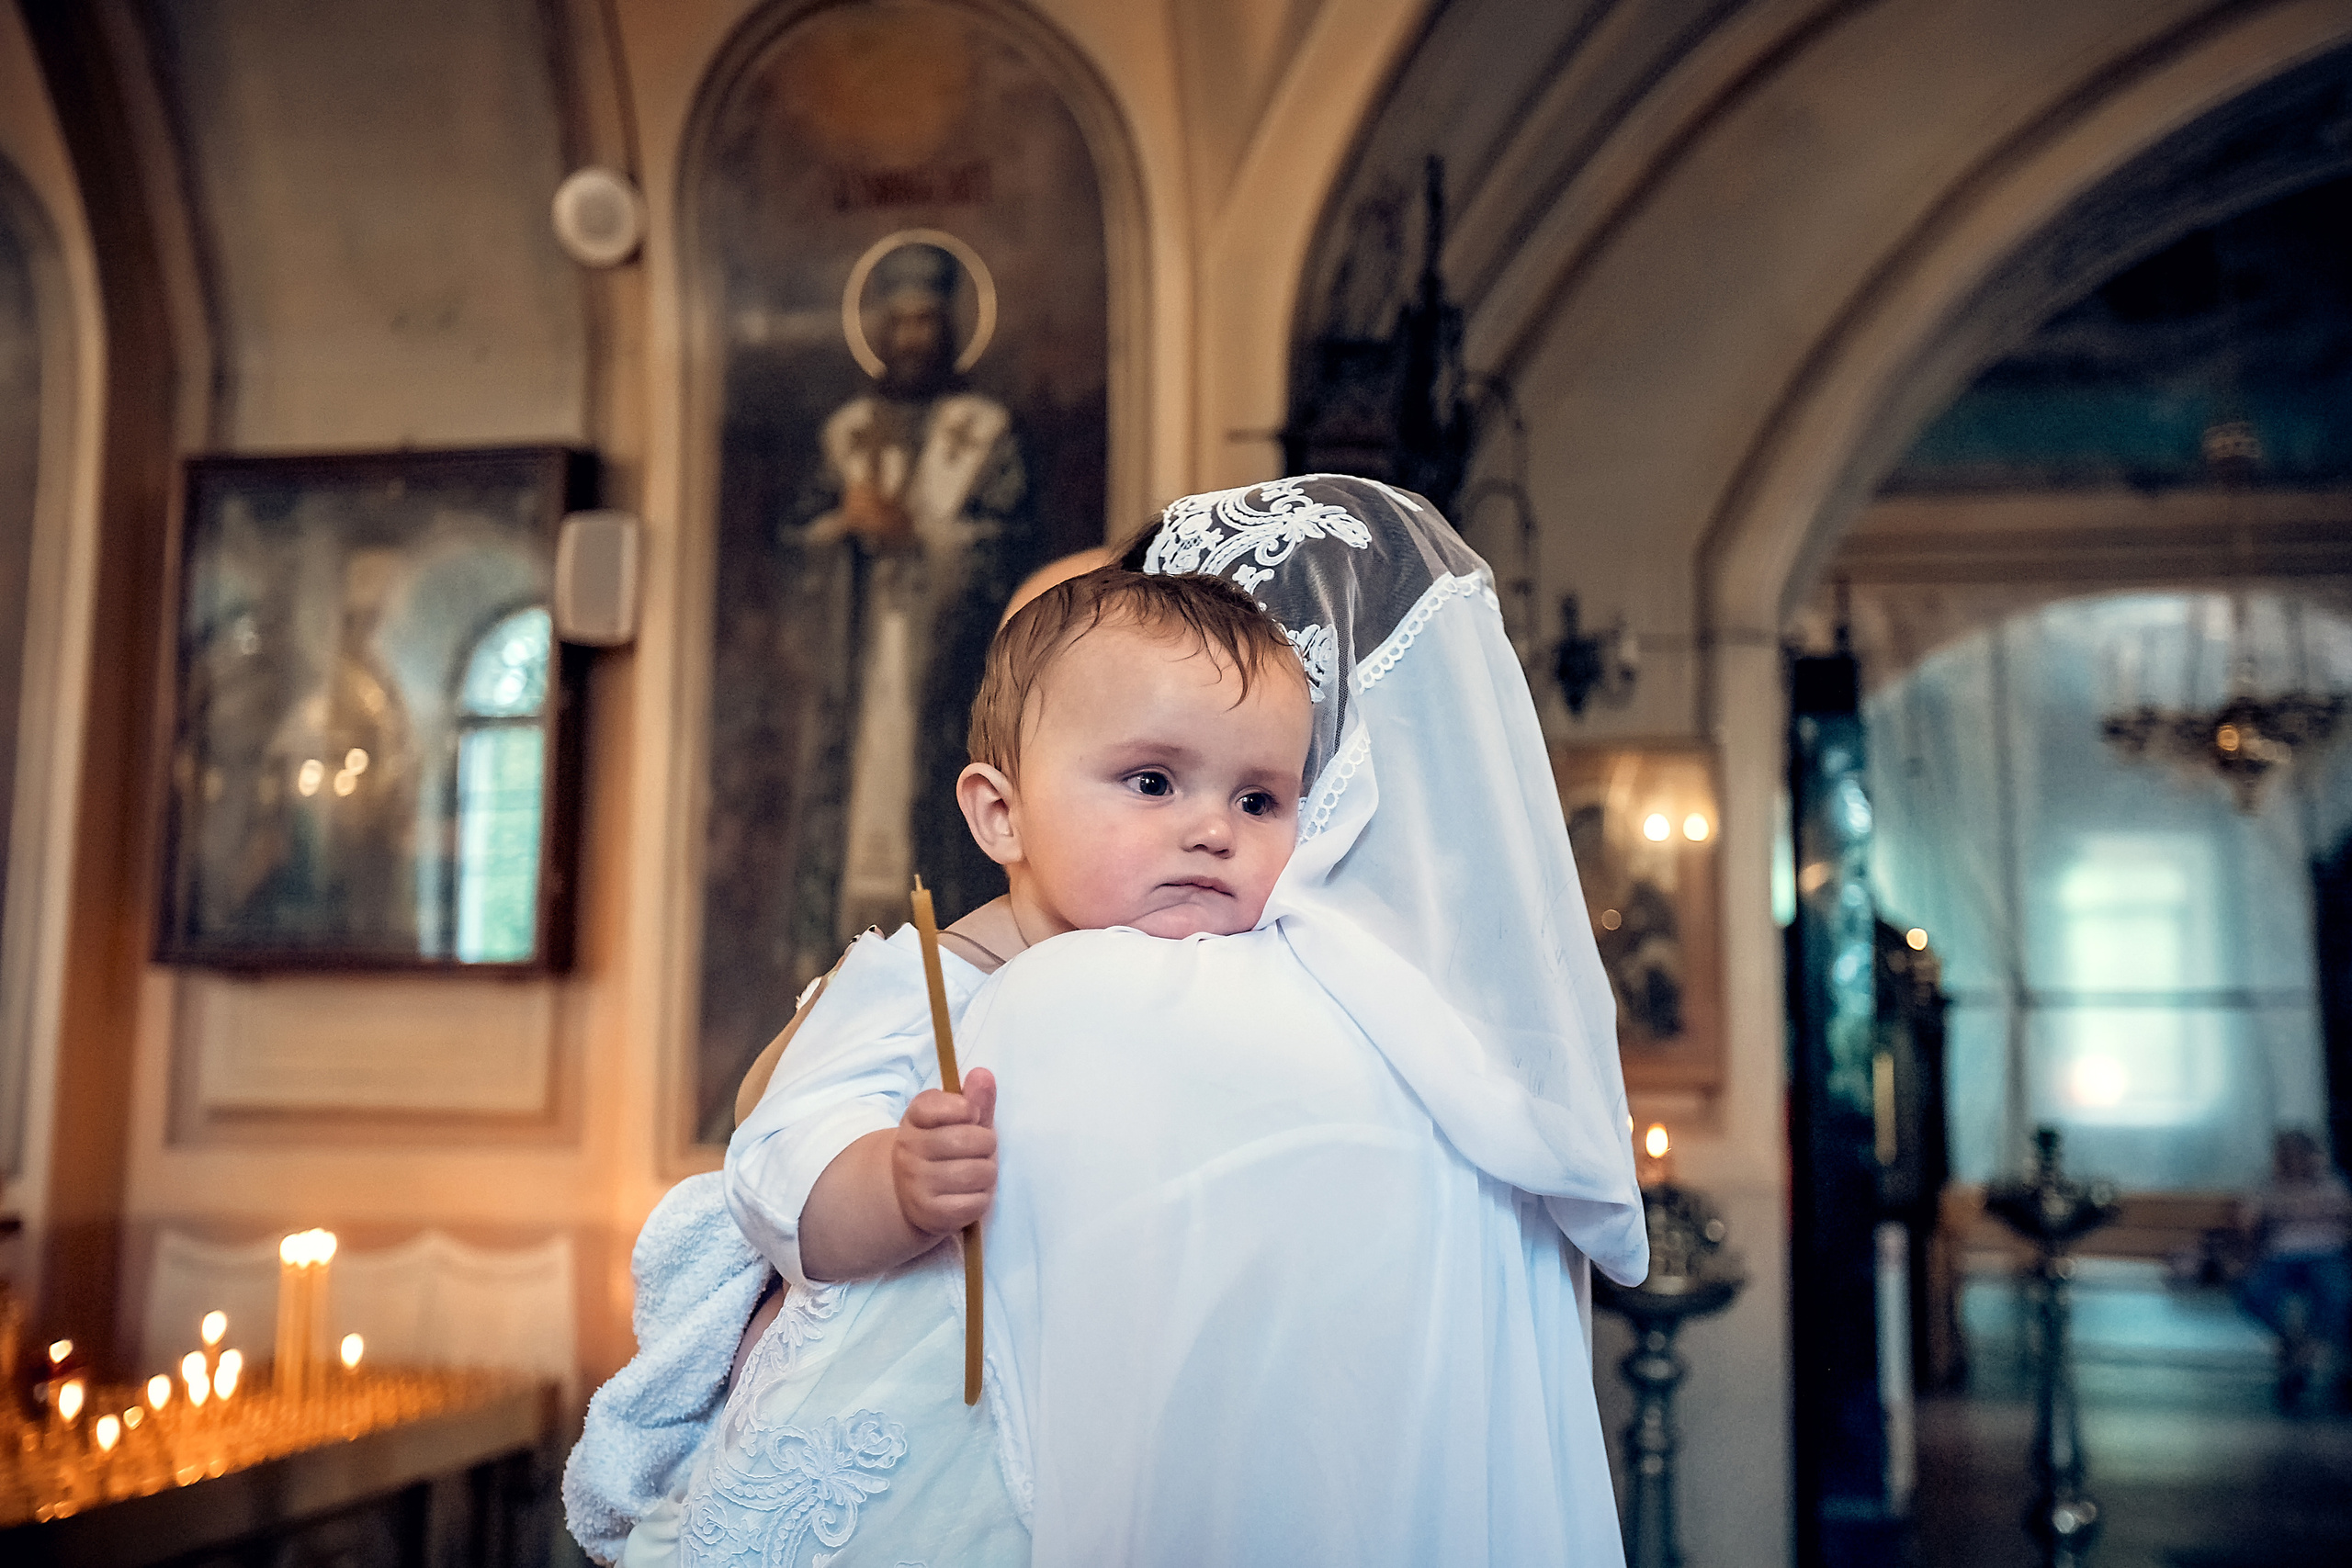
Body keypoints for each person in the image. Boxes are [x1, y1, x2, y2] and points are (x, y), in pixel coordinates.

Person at [572, 476, 1645, 1567]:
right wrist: (891, 1184)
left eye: (1259, 800)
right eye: (1151, 781)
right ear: (1003, 811)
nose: (1213, 831)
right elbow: (780, 1153)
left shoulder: (1213, 977)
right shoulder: (924, 975)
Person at [784, 239, 1037, 978]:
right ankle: (836, 976)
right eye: (900, 323)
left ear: (950, 329)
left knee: (936, 796)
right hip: (860, 663)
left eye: (927, 322)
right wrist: (843, 530)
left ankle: (949, 967)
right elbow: (797, 542)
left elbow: (1012, 546)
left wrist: (922, 540)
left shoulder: (985, 433)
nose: (913, 338)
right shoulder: (846, 435)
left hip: (942, 668)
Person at [2233, 1128, 2351, 1410]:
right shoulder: (2267, 1185)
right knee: (2254, 1294)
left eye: (2300, 1154)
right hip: (2281, 1255)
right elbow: (2249, 1223)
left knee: (2338, 1296)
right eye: (2287, 1155)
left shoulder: (2332, 1184)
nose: (2294, 1161)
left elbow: (2346, 1219)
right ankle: (2292, 1341)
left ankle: (2306, 1350)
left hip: (2326, 1252)